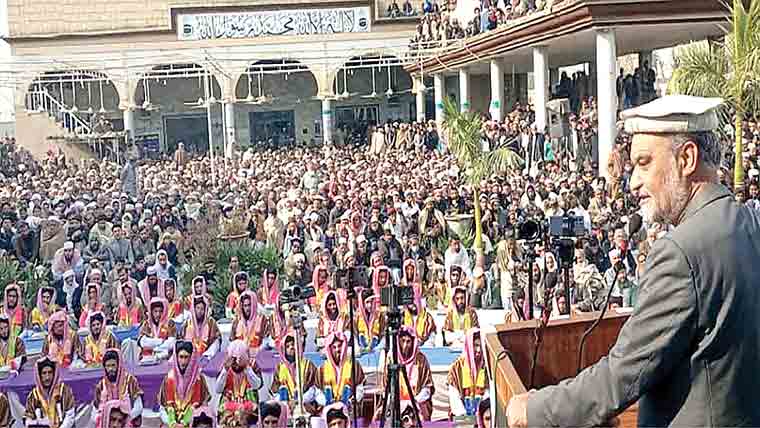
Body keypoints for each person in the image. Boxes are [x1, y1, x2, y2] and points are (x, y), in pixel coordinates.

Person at [508, 96, 760, 427]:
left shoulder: (679, 252)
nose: (633, 182)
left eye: (644, 163)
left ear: (686, 159)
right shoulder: (751, 223)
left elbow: (622, 376)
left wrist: (534, 408)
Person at [377, 327, 434, 421]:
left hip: (416, 402)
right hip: (395, 402)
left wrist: (414, 401)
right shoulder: (392, 359)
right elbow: (385, 387)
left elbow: (427, 388)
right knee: (381, 414)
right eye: (402, 341)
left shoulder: (420, 359)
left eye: (408, 342)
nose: (405, 345)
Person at [158, 341, 211, 427]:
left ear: (191, 358)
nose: (183, 361)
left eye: (186, 357)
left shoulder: (198, 379)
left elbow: (202, 406)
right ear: (176, 358)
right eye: (181, 357)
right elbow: (164, 407)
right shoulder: (169, 378)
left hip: (193, 422)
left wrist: (184, 422)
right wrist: (172, 422)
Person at [215, 340, 263, 427]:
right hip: (228, 409)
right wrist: (225, 370)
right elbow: (218, 389)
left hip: (249, 409)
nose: (236, 366)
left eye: (239, 363)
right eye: (234, 362)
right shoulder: (225, 366)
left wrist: (247, 368)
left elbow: (257, 385)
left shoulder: (252, 365)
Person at [271, 331, 320, 414]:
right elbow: (275, 391)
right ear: (283, 350)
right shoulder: (279, 367)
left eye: (293, 344)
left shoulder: (308, 364)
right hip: (286, 406)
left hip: (306, 405)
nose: (291, 347)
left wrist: (298, 401)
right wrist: (287, 402)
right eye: (287, 346)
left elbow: (314, 389)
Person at [93, 349, 144, 428]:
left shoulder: (129, 380)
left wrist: (125, 419)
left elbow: (139, 407)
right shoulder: (101, 384)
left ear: (119, 365)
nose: (110, 369)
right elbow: (95, 410)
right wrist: (103, 419)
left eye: (113, 365)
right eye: (108, 366)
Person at [316, 332, 365, 409]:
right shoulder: (322, 369)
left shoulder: (354, 365)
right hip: (330, 411)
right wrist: (327, 402)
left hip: (349, 408)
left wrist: (352, 400)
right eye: (334, 347)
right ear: (329, 349)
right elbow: (318, 393)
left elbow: (359, 388)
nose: (337, 349)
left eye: (339, 346)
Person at [447, 328, 488, 418]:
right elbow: (455, 398)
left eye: (481, 346)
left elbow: (488, 395)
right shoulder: (456, 368)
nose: (479, 350)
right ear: (468, 346)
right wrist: (464, 416)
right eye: (475, 345)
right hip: (462, 416)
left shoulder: (486, 366)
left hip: (483, 416)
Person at [24, 357, 76, 427]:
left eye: (50, 372)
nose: (47, 377)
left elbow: (70, 416)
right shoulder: (34, 395)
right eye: (44, 373)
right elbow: (28, 419)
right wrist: (39, 423)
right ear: (39, 375)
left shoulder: (64, 390)